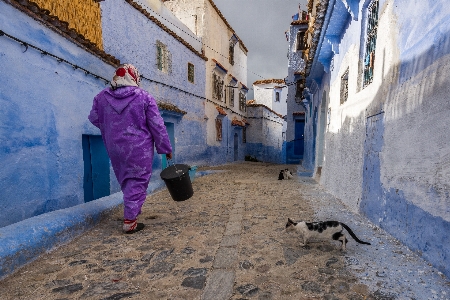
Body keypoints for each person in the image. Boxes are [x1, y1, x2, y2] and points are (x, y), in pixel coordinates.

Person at [88, 64, 172, 234]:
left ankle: (132, 211)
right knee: (138, 180)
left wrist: (112, 128)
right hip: (139, 147)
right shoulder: (144, 97)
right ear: (134, 77)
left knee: (126, 179)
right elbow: (157, 125)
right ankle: (130, 221)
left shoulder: (101, 97)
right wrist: (165, 148)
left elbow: (94, 118)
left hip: (115, 146)